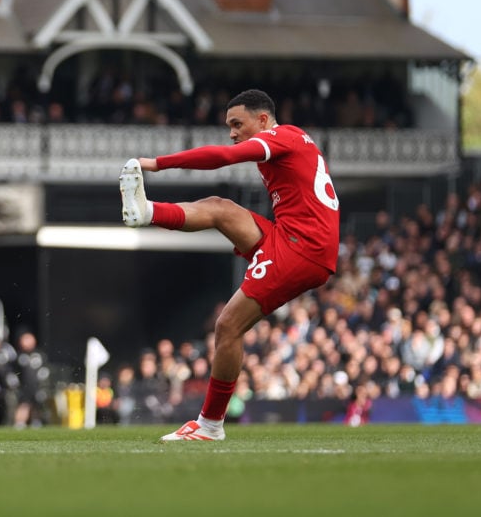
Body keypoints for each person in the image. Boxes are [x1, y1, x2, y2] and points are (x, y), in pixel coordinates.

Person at [119, 89, 339, 440]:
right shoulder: (294, 137)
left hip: (303, 248)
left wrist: (157, 163)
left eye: (238, 124)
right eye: (229, 126)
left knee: (227, 326)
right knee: (220, 208)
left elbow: (223, 156)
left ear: (263, 120)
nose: (232, 133)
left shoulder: (278, 138)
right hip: (290, 237)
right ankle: (147, 212)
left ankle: (210, 425)